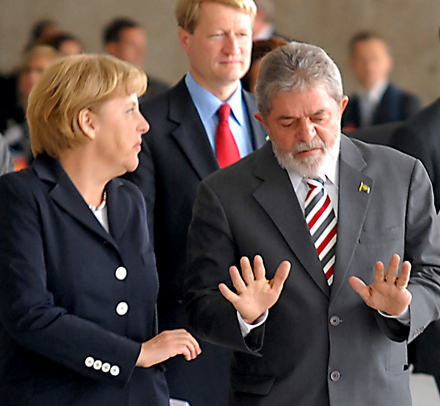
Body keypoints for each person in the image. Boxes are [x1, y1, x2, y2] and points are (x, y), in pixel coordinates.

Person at [185, 41, 440, 405]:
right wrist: (244, 318)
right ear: (263, 121)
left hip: (377, 395)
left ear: (341, 108)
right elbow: (199, 303)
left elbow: (434, 273)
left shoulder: (402, 175)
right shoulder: (223, 194)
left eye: (319, 117)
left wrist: (403, 306)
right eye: (287, 122)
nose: (306, 135)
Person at [0, 54, 200, 406]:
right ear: (88, 123)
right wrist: (135, 354)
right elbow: (29, 315)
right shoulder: (20, 196)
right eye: (129, 111)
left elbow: (140, 315)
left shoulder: (129, 200)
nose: (144, 125)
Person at [124, 1, 266, 405]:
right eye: (218, 34)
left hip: (270, 350)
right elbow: (139, 247)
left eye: (241, 34)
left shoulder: (272, 122)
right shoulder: (147, 126)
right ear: (185, 38)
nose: (233, 47)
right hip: (186, 346)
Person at [342, 31, 422, 131]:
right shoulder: (346, 107)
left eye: (375, 59)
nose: (369, 66)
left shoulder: (406, 103)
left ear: (388, 62)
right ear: (352, 64)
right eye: (362, 60)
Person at [0, 45, 59, 169]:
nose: (31, 76)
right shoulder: (6, 116)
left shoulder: (60, 121)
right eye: (27, 70)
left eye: (40, 71)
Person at [103, 18, 170, 100]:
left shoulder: (161, 93)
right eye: (132, 45)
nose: (140, 52)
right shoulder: (96, 89)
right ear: (112, 48)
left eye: (142, 46)